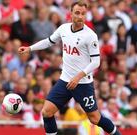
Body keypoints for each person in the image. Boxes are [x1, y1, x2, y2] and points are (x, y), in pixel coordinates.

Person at [18, 1, 121, 135]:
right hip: (65, 80)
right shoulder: (64, 29)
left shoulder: (90, 36)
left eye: (83, 14)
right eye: (77, 13)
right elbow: (49, 41)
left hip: (83, 83)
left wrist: (78, 77)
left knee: (95, 118)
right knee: (47, 112)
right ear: (71, 13)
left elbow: (96, 62)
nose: (80, 16)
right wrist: (30, 48)